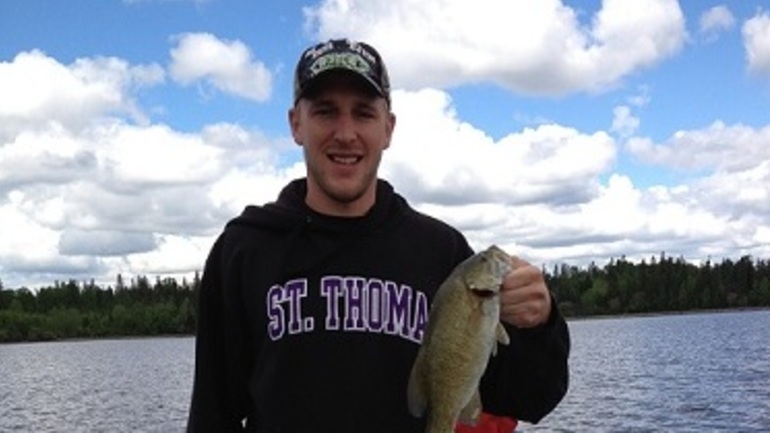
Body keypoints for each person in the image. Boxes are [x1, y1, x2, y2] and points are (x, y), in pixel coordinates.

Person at [187, 38, 570, 433]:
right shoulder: (244, 250)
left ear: (388, 128)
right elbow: (212, 415)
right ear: (296, 124)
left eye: (364, 113)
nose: (345, 133)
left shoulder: (441, 251)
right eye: (325, 111)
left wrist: (540, 325)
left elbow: (530, 398)